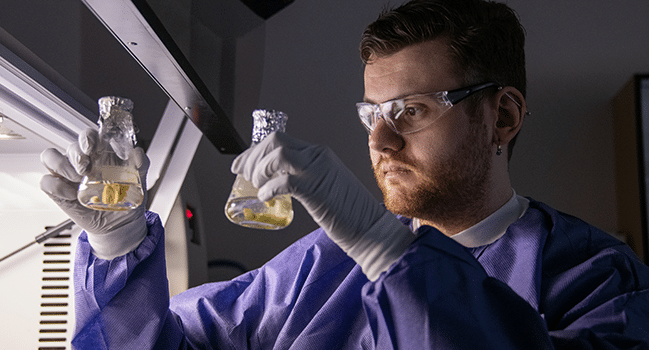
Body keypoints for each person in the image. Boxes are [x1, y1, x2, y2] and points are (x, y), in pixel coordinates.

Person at [40, 0, 649, 348]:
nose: (380, 141)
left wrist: (388, 252)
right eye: (371, 114)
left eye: (412, 111)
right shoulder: (319, 266)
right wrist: (116, 241)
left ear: (504, 115)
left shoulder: (597, 280)